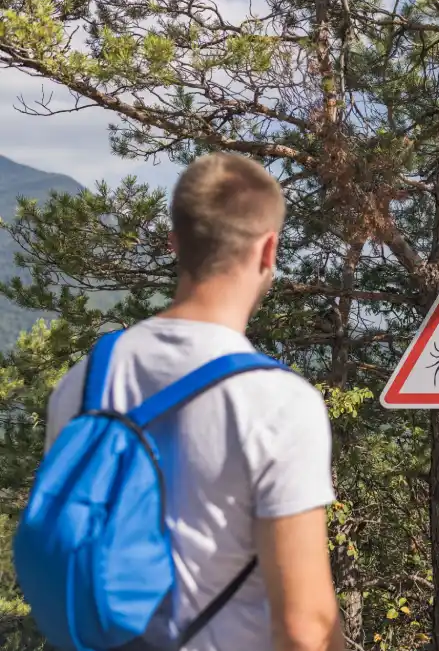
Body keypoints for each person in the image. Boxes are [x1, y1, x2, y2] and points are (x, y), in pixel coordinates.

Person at [42, 153, 345, 651]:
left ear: (175, 243)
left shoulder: (83, 382)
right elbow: (304, 629)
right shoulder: (279, 403)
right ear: (269, 249)